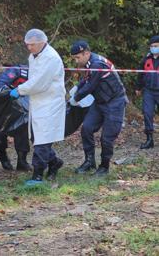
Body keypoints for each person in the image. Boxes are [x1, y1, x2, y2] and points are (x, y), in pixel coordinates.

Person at [10, 29, 66, 185]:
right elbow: (33, 79)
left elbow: (39, 83)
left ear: (42, 43)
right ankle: (54, 162)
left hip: (50, 102)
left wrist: (20, 90)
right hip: (37, 101)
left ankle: (38, 174)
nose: (29, 48)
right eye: (27, 45)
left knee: (42, 139)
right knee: (36, 136)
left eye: (32, 45)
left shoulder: (51, 58)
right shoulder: (33, 56)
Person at [69, 40, 127, 176]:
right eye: (74, 58)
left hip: (115, 102)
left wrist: (75, 98)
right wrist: (78, 86)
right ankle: (89, 162)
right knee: (87, 128)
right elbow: (88, 78)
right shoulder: (90, 62)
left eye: (78, 57)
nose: (76, 61)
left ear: (86, 53)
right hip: (100, 101)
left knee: (107, 138)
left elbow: (90, 86)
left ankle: (104, 167)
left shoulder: (97, 64)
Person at [0, 65, 31, 171]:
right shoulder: (18, 70)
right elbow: (0, 84)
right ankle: (3, 157)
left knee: (22, 128)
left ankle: (22, 161)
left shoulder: (41, 74)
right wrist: (9, 91)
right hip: (5, 106)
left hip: (23, 110)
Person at [136, 35, 159, 149]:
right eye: (151, 46)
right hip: (149, 91)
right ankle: (149, 140)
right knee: (147, 113)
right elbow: (140, 74)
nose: (153, 48)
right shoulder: (146, 59)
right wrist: (138, 88)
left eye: (156, 46)